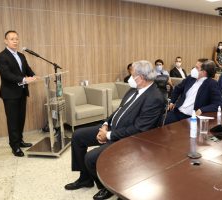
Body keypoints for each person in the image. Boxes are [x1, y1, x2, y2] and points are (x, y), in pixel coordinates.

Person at [64, 60, 165, 200]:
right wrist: (105, 124)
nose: (130, 78)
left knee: (91, 158)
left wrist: (109, 135)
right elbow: (119, 110)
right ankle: (85, 178)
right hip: (112, 129)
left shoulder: (154, 98)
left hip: (129, 138)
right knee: (78, 136)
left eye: (133, 75)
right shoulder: (133, 89)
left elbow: (139, 129)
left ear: (141, 78)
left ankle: (106, 188)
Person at [0, 30, 37, 157]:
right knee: (13, 120)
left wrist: (34, 75)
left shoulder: (21, 55)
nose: (15, 41)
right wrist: (24, 79)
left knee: (20, 119)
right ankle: (14, 146)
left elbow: (27, 70)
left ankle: (20, 141)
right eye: (12, 39)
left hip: (22, 92)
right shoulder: (1, 56)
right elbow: (6, 75)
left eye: (16, 39)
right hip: (10, 94)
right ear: (5, 41)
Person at [165, 60, 222, 125]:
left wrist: (202, 110)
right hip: (177, 112)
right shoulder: (190, 78)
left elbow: (218, 104)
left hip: (191, 117)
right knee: (161, 125)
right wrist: (172, 101)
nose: (193, 69)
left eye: (197, 68)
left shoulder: (212, 84)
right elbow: (177, 89)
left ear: (204, 72)